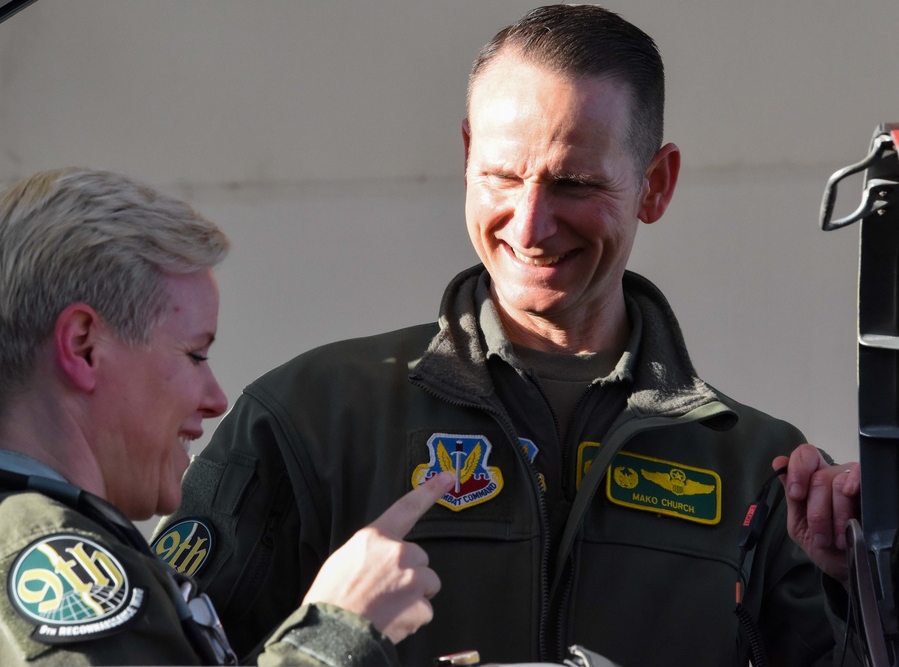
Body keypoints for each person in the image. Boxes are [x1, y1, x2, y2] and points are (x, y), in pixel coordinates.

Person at [162, 5, 863, 667]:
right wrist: (331, 639)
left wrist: (863, 588)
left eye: (573, 184)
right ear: (468, 154)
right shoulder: (308, 421)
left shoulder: (766, 475)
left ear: (656, 183)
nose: (529, 226)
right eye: (502, 176)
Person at [0, 167, 455, 666]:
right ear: (84, 346)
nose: (215, 398)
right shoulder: (53, 565)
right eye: (195, 354)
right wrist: (334, 638)